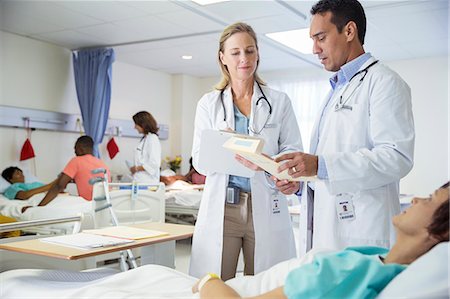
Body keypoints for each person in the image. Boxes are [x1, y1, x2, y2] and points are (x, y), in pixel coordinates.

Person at [275, 0, 415, 254]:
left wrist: (320, 165)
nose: (314, 49)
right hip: (329, 232)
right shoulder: (337, 89)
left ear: (349, 31)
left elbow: (397, 158)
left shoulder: (385, 83)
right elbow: (328, 166)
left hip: (363, 234)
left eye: (321, 38)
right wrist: (300, 183)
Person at [192, 182, 449, 298]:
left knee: (151, 273)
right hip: (246, 285)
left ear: (440, 232)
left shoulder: (352, 272)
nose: (415, 199)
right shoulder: (377, 257)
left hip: (222, 292)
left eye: (429, 198)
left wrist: (208, 280)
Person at [190, 22, 303, 280]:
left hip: (265, 203)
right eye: (236, 52)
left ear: (258, 54)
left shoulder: (279, 102)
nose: (244, 58)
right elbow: (200, 161)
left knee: (265, 284)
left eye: (250, 51)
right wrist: (224, 148)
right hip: (224, 207)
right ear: (223, 58)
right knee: (217, 283)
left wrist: (265, 162)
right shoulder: (209, 104)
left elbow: (293, 150)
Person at [36, 135, 110, 207]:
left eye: (75, 149)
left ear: (80, 148)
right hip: (105, 205)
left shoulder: (76, 161)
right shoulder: (103, 164)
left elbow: (58, 186)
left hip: (89, 206)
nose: (75, 152)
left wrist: (39, 207)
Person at [130, 111, 161, 184]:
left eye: (136, 124)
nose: (134, 127)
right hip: (141, 181)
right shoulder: (145, 139)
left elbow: (154, 163)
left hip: (148, 182)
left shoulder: (152, 139)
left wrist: (136, 168)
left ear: (143, 124)